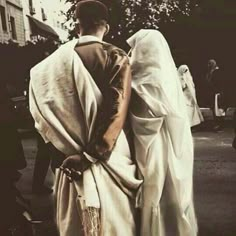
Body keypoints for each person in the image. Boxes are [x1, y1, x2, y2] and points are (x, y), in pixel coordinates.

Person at [29, 1, 142, 236]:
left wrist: (63, 152)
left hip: (67, 160)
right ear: (106, 27)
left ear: (77, 24)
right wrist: (90, 155)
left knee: (74, 225)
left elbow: (40, 119)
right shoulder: (115, 56)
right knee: (116, 224)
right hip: (109, 158)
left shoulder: (45, 67)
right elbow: (116, 109)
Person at [127, 29, 198, 236]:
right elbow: (177, 116)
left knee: (151, 189)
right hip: (169, 142)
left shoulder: (132, 78)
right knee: (171, 190)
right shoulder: (167, 78)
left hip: (146, 145)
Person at [205, 59, 226, 131]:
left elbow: (219, 83)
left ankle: (220, 125)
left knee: (219, 110)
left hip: (218, 93)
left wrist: (220, 92)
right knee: (215, 109)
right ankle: (217, 124)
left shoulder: (217, 72)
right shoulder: (211, 72)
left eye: (210, 64)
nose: (208, 65)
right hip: (213, 93)